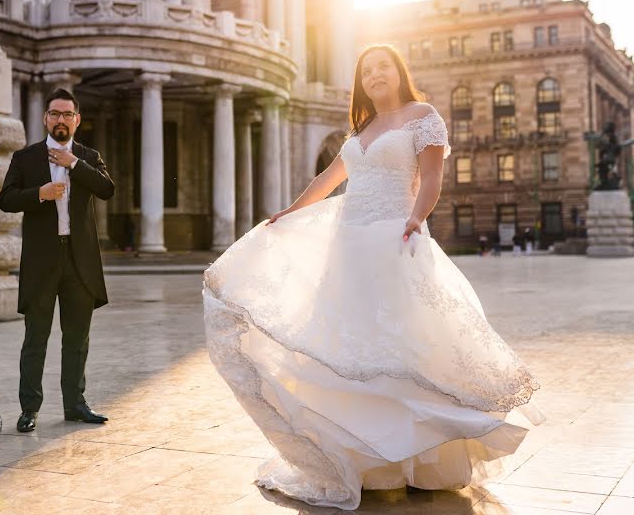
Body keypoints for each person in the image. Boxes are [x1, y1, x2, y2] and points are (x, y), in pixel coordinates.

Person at [203, 44, 541, 510]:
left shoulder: (422, 115)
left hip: (392, 238)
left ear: (398, 72)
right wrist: (291, 211)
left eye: (382, 67)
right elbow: (330, 176)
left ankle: (419, 462)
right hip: (348, 245)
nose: (375, 75)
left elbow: (431, 177)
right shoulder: (361, 128)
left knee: (397, 345)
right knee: (348, 346)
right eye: (366, 71)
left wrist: (417, 218)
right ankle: (367, 463)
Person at [0, 88, 115, 433]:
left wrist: (74, 164)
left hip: (79, 263)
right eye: (54, 114)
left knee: (77, 339)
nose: (60, 120)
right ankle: (29, 409)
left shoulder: (88, 156)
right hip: (41, 262)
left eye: (67, 114)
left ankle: (75, 405)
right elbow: (5, 199)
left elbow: (107, 189)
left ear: (77, 120)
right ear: (45, 118)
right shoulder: (25, 158)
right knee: (36, 339)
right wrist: (40, 194)